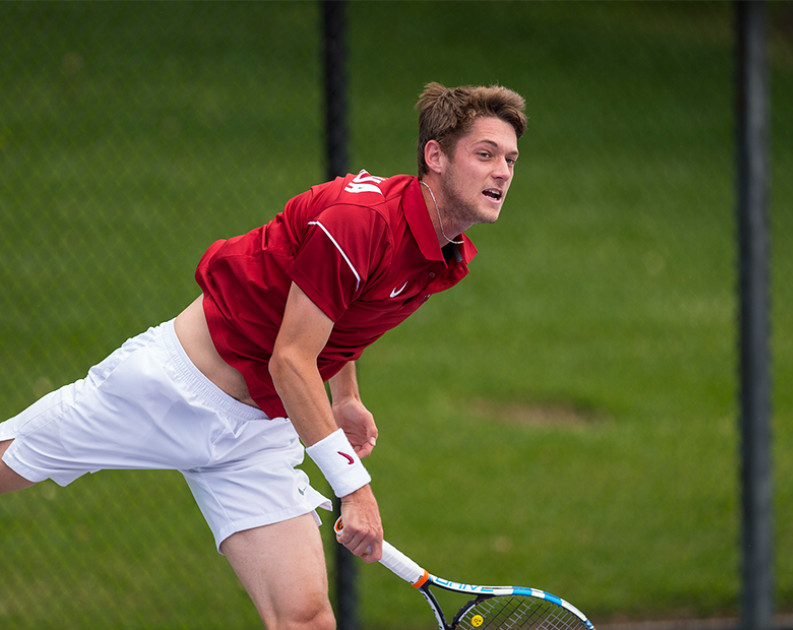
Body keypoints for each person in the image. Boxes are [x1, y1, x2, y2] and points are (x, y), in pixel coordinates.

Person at [0, 82, 527, 629]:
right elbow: (291, 360)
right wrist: (355, 489)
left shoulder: (443, 252)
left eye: (510, 159)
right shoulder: (361, 221)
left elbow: (334, 314)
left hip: (257, 434)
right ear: (435, 156)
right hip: (168, 387)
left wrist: (345, 395)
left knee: (306, 620)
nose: (502, 172)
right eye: (484, 154)